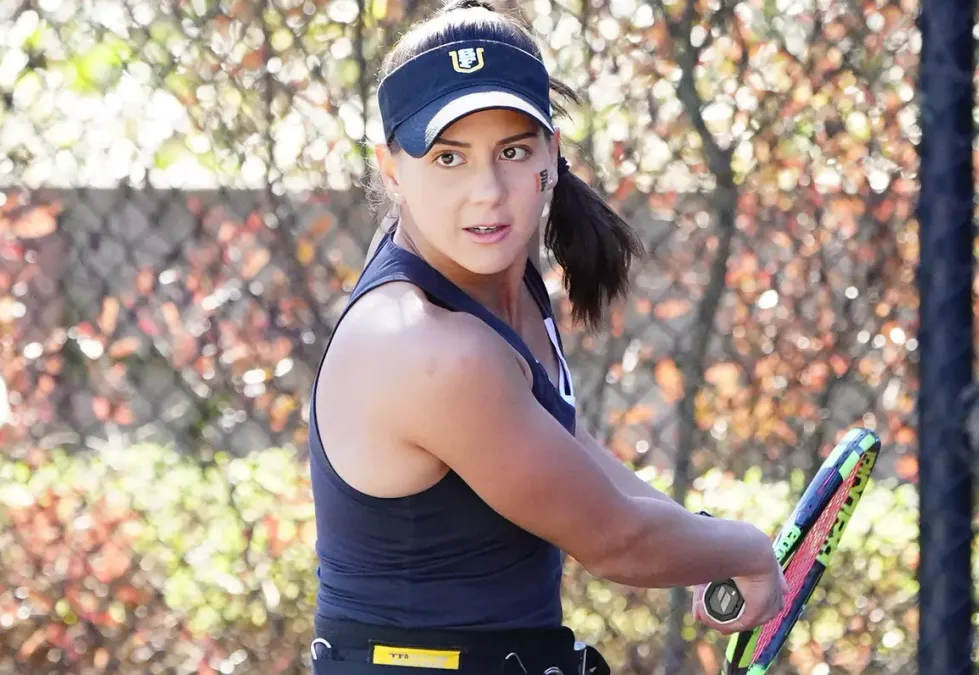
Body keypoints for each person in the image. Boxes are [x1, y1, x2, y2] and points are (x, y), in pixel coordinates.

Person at [306, 1, 788, 672]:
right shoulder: (424, 346)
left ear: (551, 155)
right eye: (448, 157)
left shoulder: (503, 277)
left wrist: (698, 540)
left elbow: (563, 449)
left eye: (512, 150)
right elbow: (614, 540)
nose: (488, 192)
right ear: (392, 168)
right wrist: (743, 549)